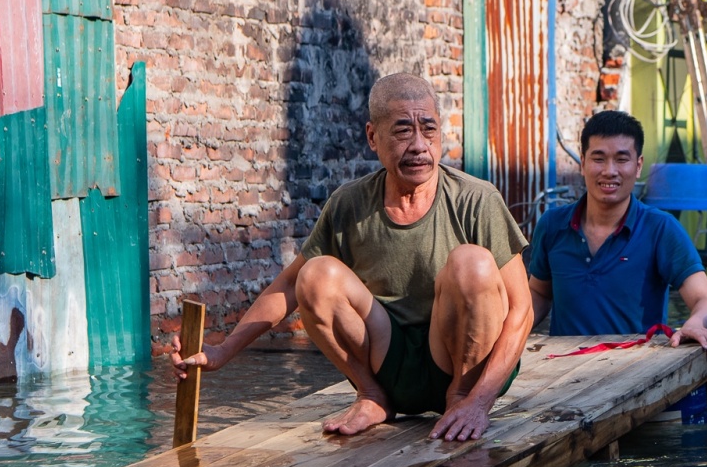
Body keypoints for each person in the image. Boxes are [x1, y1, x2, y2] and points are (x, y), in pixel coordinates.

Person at [172, 73, 533, 442]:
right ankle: (372, 395)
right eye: (403, 131)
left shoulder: (478, 200)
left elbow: (522, 310)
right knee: (314, 275)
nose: (420, 146)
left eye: (429, 129)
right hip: (386, 360)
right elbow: (290, 286)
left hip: (461, 366)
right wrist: (222, 350)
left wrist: (479, 401)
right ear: (373, 137)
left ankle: (458, 399)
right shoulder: (349, 203)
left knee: (472, 263)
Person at [526, 111, 707, 355]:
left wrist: (693, 325)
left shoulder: (661, 229)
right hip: (563, 367)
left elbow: (706, 301)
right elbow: (539, 293)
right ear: (583, 164)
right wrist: (508, 331)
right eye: (598, 159)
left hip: (636, 370)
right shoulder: (552, 225)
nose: (609, 171)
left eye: (621, 159)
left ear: (638, 166)